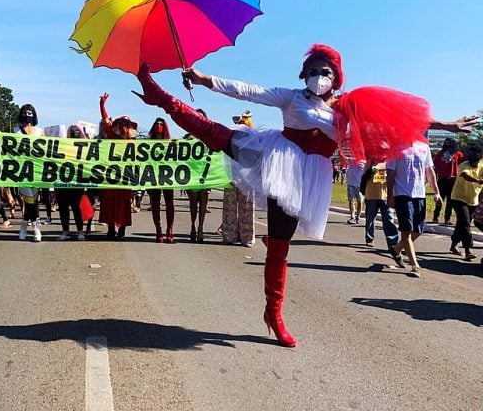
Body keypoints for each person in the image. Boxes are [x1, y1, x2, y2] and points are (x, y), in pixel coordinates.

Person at [133, 43, 432, 347]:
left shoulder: (347, 107)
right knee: (214, 134)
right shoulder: (292, 97)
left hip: (311, 177)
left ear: (337, 77)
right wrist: (205, 79)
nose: (318, 77)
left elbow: (392, 124)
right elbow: (248, 91)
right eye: (312, 72)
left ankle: (270, 305)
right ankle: (158, 95)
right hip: (277, 161)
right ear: (304, 75)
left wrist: (445, 124)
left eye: (324, 72)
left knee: (282, 243)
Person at [386, 141, 441, 277]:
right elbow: (390, 174)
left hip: (420, 194)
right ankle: (415, 265)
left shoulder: (424, 147)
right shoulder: (395, 148)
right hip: (402, 194)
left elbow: (429, 171)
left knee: (418, 230)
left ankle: (396, 249)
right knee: (407, 232)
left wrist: (436, 192)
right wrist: (390, 195)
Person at [98, 93, 136, 240]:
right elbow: (106, 121)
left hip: (125, 180)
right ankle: (110, 229)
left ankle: (122, 230)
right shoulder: (112, 137)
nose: (124, 127)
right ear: (118, 126)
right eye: (122, 124)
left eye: (127, 124)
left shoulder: (133, 143)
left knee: (124, 205)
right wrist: (102, 105)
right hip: (111, 178)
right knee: (109, 204)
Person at [221, 111, 255, 247]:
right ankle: (229, 235)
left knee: (246, 209)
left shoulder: (253, 142)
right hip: (230, 177)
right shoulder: (230, 141)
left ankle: (247, 237)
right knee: (229, 208)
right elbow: (223, 158)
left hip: (247, 180)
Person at [448, 143, 483, 261]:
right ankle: (468, 250)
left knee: (461, 224)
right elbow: (465, 175)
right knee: (466, 223)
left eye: (475, 153)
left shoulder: (482, 165)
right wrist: (478, 181)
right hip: (458, 198)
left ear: (481, 155)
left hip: (473, 200)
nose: (472, 155)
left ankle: (453, 246)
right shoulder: (464, 165)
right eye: (470, 152)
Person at [16, 104, 44, 242]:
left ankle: (24, 226)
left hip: (36, 170)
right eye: (25, 112)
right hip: (22, 171)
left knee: (33, 200)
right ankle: (37, 229)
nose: (28, 115)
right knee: (29, 200)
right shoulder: (16, 130)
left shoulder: (40, 131)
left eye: (30, 112)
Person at [55, 124, 87, 241]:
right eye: (72, 130)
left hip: (77, 182)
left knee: (76, 207)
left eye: (77, 130)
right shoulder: (62, 145)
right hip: (62, 182)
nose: (74, 132)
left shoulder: (85, 147)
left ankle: (80, 232)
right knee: (63, 208)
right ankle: (65, 231)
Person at [183, 110, 211, 243]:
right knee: (193, 203)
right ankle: (193, 226)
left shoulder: (209, 137)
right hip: (192, 176)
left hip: (206, 175)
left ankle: (200, 228)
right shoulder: (187, 138)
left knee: (203, 203)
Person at [146, 117, 175, 243]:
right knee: (155, 203)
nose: (159, 125)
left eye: (161, 124)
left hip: (168, 176)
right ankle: (158, 230)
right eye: (157, 123)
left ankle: (170, 230)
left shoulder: (170, 143)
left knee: (169, 203)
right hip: (153, 176)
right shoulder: (147, 144)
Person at [362, 161, 399, 253]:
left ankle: (392, 243)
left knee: (389, 220)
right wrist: (370, 171)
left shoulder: (391, 162)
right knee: (370, 219)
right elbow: (363, 178)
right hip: (371, 196)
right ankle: (369, 239)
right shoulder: (370, 161)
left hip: (386, 196)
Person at [431, 138, 463, 225]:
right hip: (442, 179)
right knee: (440, 199)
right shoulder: (440, 154)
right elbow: (435, 167)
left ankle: (447, 218)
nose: (448, 146)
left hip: (453, 180)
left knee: (450, 201)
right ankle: (435, 217)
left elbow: (463, 165)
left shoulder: (458, 154)